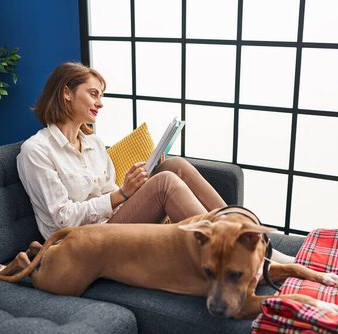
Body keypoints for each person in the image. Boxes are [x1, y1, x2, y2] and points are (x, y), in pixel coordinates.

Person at [17, 62, 227, 241]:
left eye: (101, 96)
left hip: (112, 225)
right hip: (79, 242)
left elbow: (111, 195)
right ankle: (230, 250)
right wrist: (123, 193)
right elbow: (63, 218)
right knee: (165, 183)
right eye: (93, 94)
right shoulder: (36, 151)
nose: (100, 103)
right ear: (66, 93)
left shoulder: (94, 144)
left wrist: (137, 187)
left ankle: (247, 234)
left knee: (174, 166)